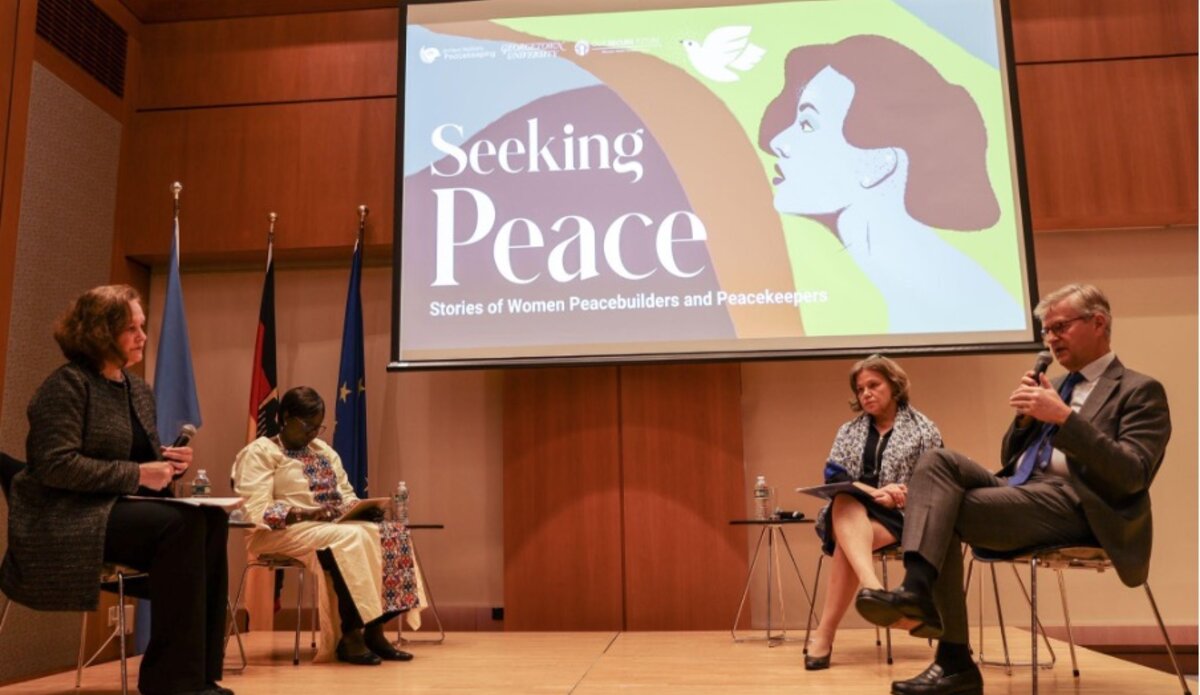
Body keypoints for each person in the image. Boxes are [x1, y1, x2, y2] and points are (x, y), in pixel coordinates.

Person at [855, 283, 1170, 695]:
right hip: (1024, 494)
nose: (1052, 338)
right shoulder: (1055, 385)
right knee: (936, 463)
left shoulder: (1139, 390)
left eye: (1060, 327)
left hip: (1081, 506)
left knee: (942, 510)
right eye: (1046, 331)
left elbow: (1133, 473)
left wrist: (1064, 419)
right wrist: (1025, 420)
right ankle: (919, 595)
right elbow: (1012, 456)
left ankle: (951, 659)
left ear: (1099, 323)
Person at [0, 285, 231, 695]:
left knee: (210, 518)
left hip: (118, 509)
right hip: (67, 517)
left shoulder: (136, 388)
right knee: (179, 525)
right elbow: (54, 466)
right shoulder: (66, 387)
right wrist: (139, 474)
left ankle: (197, 673)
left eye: (142, 326)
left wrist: (167, 464)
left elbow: (135, 458)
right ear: (99, 333)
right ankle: (172, 681)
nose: (142, 336)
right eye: (130, 328)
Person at [757, 35, 1024, 334]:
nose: (777, 142)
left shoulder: (958, 301)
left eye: (807, 124)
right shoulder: (887, 284)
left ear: (881, 163)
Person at [232, 386, 422, 665]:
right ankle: (350, 635)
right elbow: (253, 509)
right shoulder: (260, 452)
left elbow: (346, 494)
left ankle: (375, 628)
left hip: (326, 527)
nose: (312, 434)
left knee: (390, 532)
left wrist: (362, 511)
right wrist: (305, 514)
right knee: (347, 539)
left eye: (317, 427)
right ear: (285, 417)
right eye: (306, 426)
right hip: (279, 532)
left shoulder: (324, 452)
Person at [805, 355, 942, 670]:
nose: (865, 393)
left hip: (901, 517)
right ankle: (877, 592)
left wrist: (903, 493)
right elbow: (835, 478)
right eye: (860, 388)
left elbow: (937, 483)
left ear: (894, 385)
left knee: (847, 546)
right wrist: (873, 493)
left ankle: (823, 635)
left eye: (873, 385)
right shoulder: (848, 430)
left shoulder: (924, 429)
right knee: (844, 500)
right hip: (850, 510)